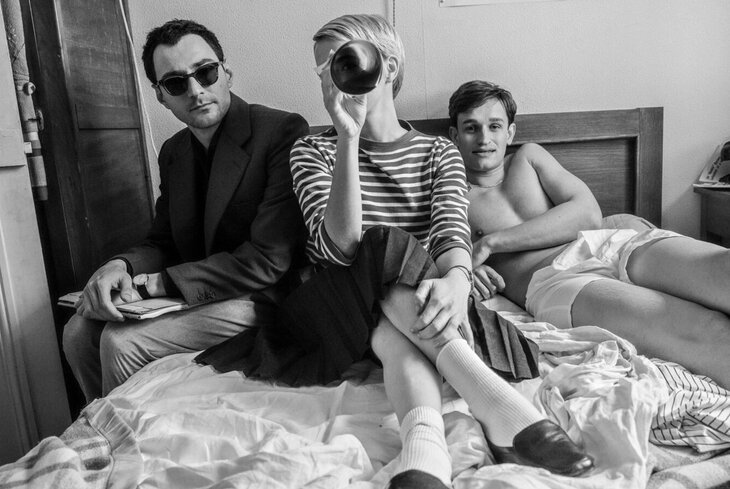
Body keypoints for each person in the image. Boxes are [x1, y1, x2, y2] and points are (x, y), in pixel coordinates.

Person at [197, 15, 592, 488]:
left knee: (392, 330)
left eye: (343, 61)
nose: (333, 76)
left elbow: (449, 232)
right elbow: (339, 249)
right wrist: (347, 137)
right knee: (381, 243)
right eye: (322, 69)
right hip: (338, 304)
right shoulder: (311, 151)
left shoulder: (438, 152)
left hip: (413, 307)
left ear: (386, 66)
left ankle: (424, 454)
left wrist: (457, 279)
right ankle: (501, 407)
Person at [62, 19, 309, 403]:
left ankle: (130, 436)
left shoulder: (281, 131)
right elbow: (162, 241)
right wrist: (120, 266)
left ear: (226, 73)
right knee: (77, 333)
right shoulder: (174, 152)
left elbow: (268, 261)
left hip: (264, 297)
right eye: (176, 83)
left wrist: (155, 284)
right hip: (197, 295)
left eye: (206, 73)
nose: (195, 91)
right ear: (161, 96)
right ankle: (104, 428)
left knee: (121, 342)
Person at [448, 79, 730, 390]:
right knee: (707, 330)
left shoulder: (528, 157)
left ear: (510, 132)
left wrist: (489, 243)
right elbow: (431, 261)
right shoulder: (451, 194)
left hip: (607, 242)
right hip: (555, 282)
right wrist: (463, 270)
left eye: (494, 126)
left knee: (722, 269)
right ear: (455, 136)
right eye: (471, 128)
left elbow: (588, 214)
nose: (484, 138)